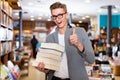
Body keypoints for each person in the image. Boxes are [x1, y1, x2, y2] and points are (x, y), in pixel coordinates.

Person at [36, 2, 95, 80]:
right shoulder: (49, 38)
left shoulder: (80, 32)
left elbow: (91, 59)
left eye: (60, 15)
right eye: (54, 16)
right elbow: (49, 68)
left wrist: (78, 44)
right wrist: (44, 69)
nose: (57, 19)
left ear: (67, 14)